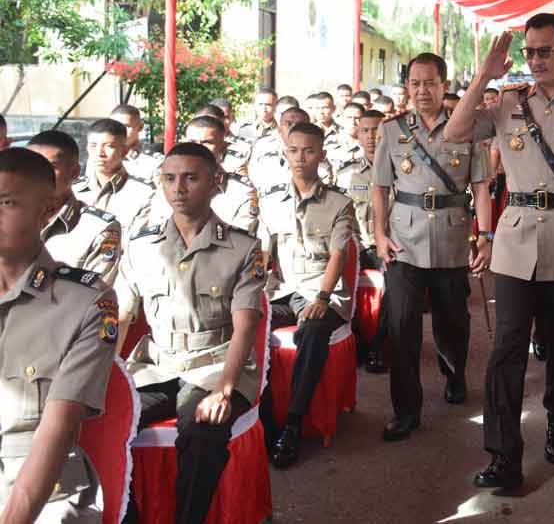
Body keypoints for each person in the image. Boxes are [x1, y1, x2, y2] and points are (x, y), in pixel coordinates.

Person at [444, 15, 554, 492]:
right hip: (516, 241)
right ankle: (503, 454)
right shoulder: (506, 104)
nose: (537, 60)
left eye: (546, 51)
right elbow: (454, 134)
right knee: (506, 351)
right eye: (530, 52)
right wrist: (484, 75)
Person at [115, 143, 264, 524]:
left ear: (215, 182)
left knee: (202, 430)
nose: (178, 189)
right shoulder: (141, 246)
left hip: (215, 365)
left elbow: (246, 322)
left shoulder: (242, 247)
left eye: (190, 178)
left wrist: (225, 389)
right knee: (98, 418)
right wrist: (105, 377)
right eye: (169, 179)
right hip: (158, 364)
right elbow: (123, 315)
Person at [372, 53, 492, 442]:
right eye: (415, 83)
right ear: (407, 87)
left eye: (430, 83)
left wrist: (485, 235)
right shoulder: (391, 131)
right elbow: (379, 186)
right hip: (403, 241)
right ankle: (406, 409)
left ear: (444, 86)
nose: (422, 91)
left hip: (452, 238)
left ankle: (454, 372)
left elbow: (481, 187)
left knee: (452, 320)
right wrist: (378, 233)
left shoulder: (466, 128)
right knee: (402, 326)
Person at [0, 148, 117, 524]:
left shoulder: (86, 302)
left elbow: (58, 429)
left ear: (48, 211)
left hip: (43, 489)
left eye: (7, 202)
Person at [259, 122, 357, 467]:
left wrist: (322, 298)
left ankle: (293, 424)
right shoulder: (270, 201)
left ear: (321, 155)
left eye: (308, 150)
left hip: (324, 292)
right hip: (286, 292)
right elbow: (262, 255)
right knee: (250, 324)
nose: (300, 158)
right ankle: (264, 420)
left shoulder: (339, 203)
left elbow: (339, 254)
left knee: (314, 331)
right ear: (285, 154)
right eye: (293, 150)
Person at [29, 130, 123, 285]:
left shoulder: (98, 229)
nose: (37, 174)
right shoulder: (7, 218)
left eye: (50, 166)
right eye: (30, 166)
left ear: (75, 172)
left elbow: (92, 297)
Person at [336, 108, 387, 372]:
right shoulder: (346, 173)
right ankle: (358, 345)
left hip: (387, 245)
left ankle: (381, 347)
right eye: (365, 130)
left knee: (394, 285)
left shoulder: (401, 169)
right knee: (341, 284)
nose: (371, 136)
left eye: (376, 129)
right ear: (357, 133)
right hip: (356, 245)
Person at [74, 118, 155, 240]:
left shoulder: (144, 193)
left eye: (109, 146)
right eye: (93, 145)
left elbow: (139, 243)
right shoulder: (75, 191)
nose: (99, 153)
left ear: (124, 151)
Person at [110, 104, 164, 183]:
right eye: (113, 126)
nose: (119, 132)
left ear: (140, 127)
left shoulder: (155, 161)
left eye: (126, 127)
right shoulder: (99, 157)